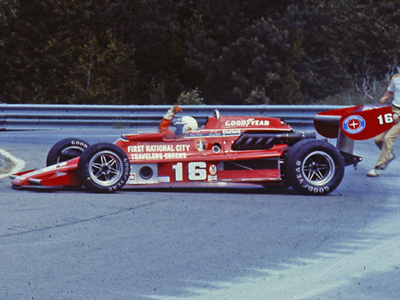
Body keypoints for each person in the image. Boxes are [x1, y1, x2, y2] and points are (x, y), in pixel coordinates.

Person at [367, 74, 400, 177]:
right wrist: (385, 98)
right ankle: (389, 154)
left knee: (388, 138)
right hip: (393, 112)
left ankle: (377, 167)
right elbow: (389, 92)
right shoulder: (395, 78)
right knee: (378, 140)